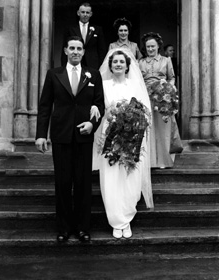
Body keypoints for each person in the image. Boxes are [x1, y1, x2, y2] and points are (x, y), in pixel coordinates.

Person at [35, 36, 105, 243]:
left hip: (84, 137)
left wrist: (93, 124)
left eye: (79, 48)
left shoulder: (94, 74)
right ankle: (64, 228)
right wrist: (41, 134)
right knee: (63, 183)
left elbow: (100, 104)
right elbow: (45, 106)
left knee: (83, 184)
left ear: (84, 52)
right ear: (65, 50)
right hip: (61, 136)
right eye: (71, 48)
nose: (75, 51)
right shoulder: (53, 74)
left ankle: (83, 228)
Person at [94, 49, 153, 239]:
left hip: (132, 136)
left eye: (121, 61)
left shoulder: (135, 84)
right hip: (110, 135)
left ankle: (126, 218)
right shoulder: (103, 85)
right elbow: (98, 106)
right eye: (115, 62)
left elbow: (145, 112)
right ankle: (115, 220)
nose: (118, 64)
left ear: (128, 66)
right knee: (111, 178)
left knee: (129, 177)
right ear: (110, 66)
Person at [139, 32, 181, 168]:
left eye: (153, 46)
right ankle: (150, 161)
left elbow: (172, 77)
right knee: (149, 128)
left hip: (162, 98)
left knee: (163, 130)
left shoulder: (166, 60)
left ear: (158, 46)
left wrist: (168, 88)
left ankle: (164, 160)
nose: (150, 49)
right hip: (146, 97)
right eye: (148, 47)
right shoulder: (140, 62)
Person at [61, 2, 106, 69]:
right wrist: (64, 66)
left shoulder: (98, 29)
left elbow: (101, 50)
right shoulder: (70, 29)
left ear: (91, 14)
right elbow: (65, 48)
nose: (85, 15)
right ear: (78, 13)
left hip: (93, 65)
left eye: (87, 13)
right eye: (83, 12)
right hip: (75, 62)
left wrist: (100, 66)